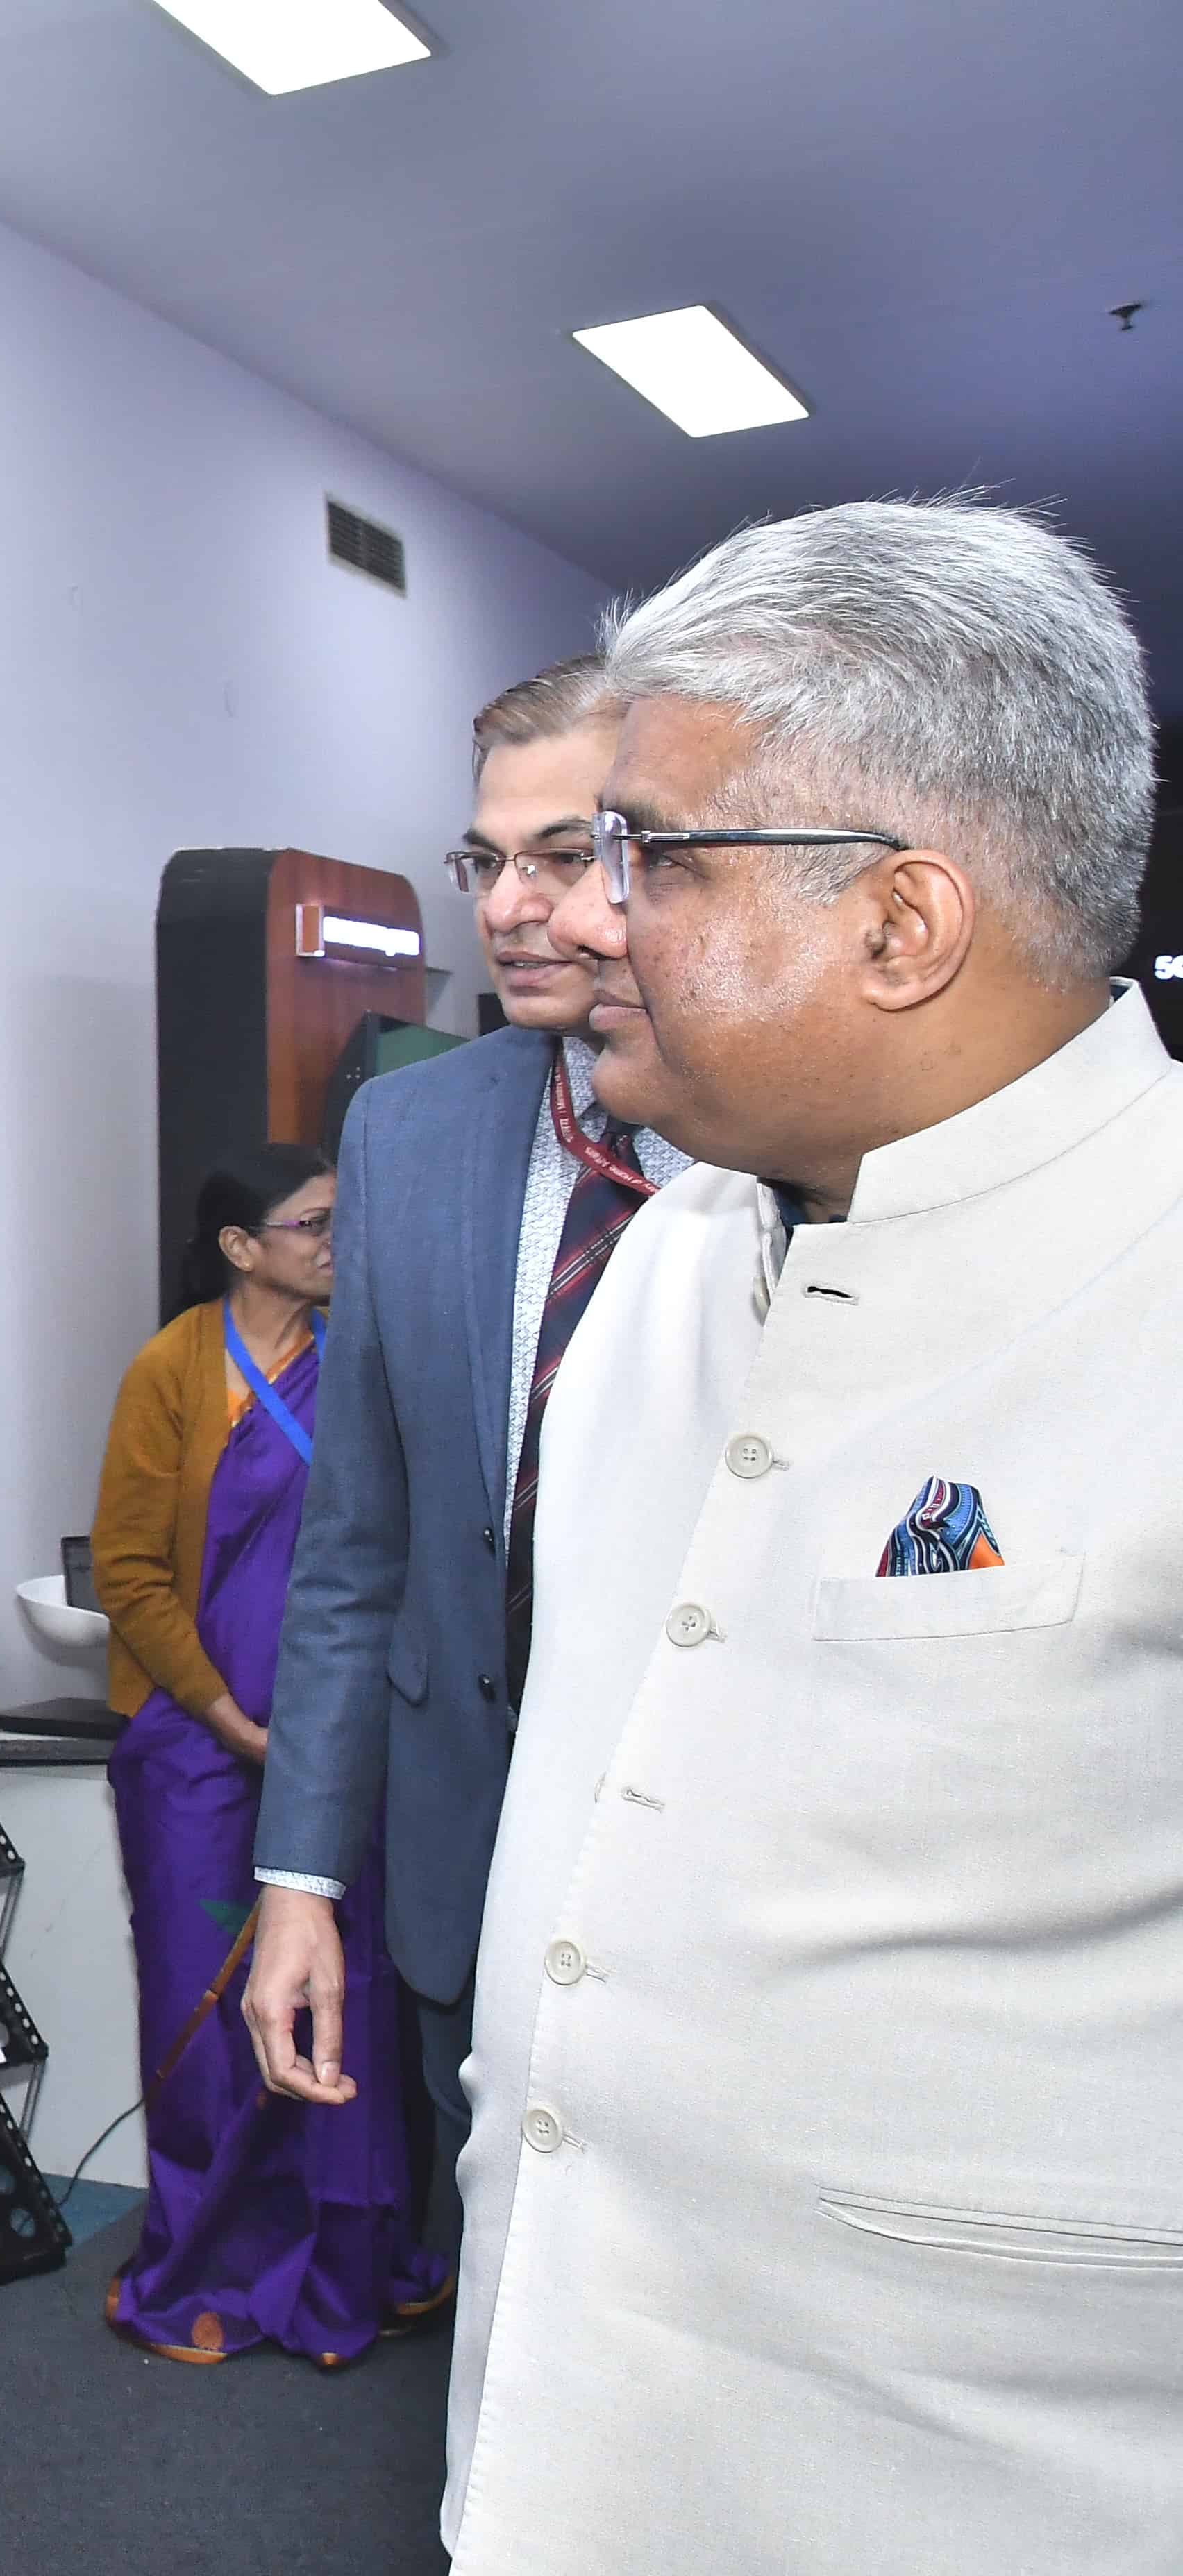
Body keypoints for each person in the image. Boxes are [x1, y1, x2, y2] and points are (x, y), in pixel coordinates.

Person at [442, 498, 1182, 2567]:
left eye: (646, 855)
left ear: (897, 921)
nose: (578, 919)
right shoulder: (666, 1262)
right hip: (559, 2443)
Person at [242, 659, 692, 2254]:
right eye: (483, 861)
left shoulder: (792, 1139)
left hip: (712, 1877)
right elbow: (356, 1544)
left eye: (560, 856)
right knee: (497, 2301)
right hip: (467, 1862)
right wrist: (300, 1875)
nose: (505, 907)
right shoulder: (407, 1130)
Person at [90, 1146, 444, 2364]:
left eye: (347, 1218)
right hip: (196, 1754)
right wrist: (227, 1715)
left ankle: (348, 2266)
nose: (339, 1242)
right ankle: (208, 2271)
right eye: (312, 1222)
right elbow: (129, 1572)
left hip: (344, 1754)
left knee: (351, 2005)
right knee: (203, 2014)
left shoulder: (368, 1357)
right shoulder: (172, 1368)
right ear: (241, 1248)